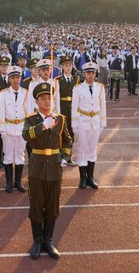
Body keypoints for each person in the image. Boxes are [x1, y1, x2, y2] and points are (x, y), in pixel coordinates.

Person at [22, 82, 73, 260]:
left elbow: (67, 140)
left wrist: (65, 157)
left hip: (54, 166)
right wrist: (43, 125)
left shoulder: (60, 119)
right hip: (37, 166)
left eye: (49, 98)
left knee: (52, 205)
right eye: (42, 98)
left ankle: (48, 240)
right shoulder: (31, 119)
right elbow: (26, 135)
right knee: (36, 204)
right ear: (37, 102)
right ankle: (37, 240)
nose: (46, 101)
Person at [71, 61, 106, 189]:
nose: (90, 75)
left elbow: (103, 106)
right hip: (82, 121)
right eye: (88, 73)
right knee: (82, 150)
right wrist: (74, 124)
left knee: (92, 150)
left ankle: (90, 177)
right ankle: (82, 178)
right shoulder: (78, 88)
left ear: (95, 73)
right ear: (84, 74)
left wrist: (103, 123)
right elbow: (74, 107)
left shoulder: (100, 88)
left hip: (95, 122)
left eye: (92, 73)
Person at [0, 65, 28, 193]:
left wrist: (27, 129)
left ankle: (18, 182)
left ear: (20, 78)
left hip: (21, 127)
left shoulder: (26, 93)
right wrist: (2, 130)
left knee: (20, 155)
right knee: (8, 156)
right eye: (13, 78)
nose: (16, 80)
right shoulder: (4, 93)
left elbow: (29, 113)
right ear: (9, 79)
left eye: (18, 77)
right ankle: (9, 182)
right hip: (8, 127)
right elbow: (1, 112)